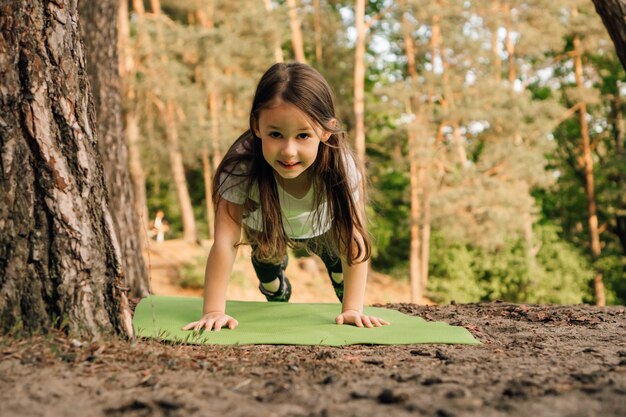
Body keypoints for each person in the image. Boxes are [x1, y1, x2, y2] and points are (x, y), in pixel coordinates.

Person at [182, 62, 390, 332]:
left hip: (325, 229)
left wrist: (352, 308)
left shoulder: (342, 166)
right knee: (269, 275)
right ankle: (277, 289)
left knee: (342, 272)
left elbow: (353, 238)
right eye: (276, 134)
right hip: (266, 226)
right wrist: (213, 311)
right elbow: (224, 242)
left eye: (303, 135)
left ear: (326, 130)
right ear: (257, 126)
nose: (289, 151)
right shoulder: (240, 167)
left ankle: (340, 284)